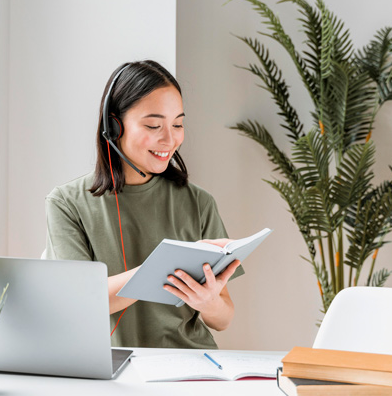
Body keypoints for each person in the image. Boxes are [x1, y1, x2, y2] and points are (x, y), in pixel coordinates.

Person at [44, 60, 244, 349]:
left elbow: (223, 320)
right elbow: (80, 301)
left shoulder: (199, 202)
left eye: (178, 124)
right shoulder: (66, 203)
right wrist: (163, 269)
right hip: (109, 372)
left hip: (191, 367)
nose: (170, 138)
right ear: (114, 126)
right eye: (153, 125)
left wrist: (209, 302)